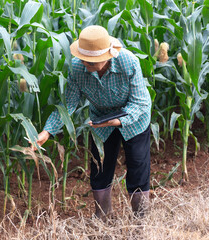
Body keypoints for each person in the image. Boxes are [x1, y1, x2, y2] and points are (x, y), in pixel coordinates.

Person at [33, 25, 152, 218]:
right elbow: (68, 104)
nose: (84, 63)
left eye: (91, 61)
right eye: (83, 58)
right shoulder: (78, 68)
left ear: (106, 56)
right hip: (101, 120)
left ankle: (142, 221)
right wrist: (47, 132)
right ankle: (103, 218)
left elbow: (140, 102)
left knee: (138, 167)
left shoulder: (129, 62)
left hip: (134, 119)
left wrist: (118, 121)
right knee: (99, 168)